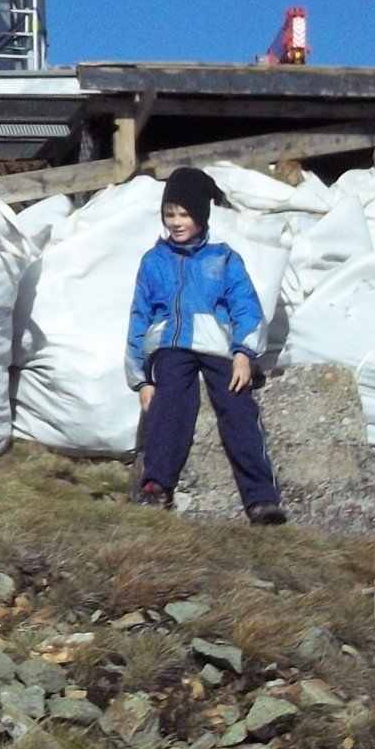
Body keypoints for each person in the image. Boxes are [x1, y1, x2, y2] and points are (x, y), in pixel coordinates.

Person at [125, 167, 286, 525]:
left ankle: (261, 497)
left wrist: (244, 354)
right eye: (170, 214)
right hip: (171, 346)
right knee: (169, 403)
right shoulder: (153, 261)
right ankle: (156, 486)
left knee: (237, 406)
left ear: (201, 215)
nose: (176, 222)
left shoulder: (223, 259)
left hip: (217, 347)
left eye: (184, 214)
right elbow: (139, 316)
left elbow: (246, 308)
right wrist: (141, 379)